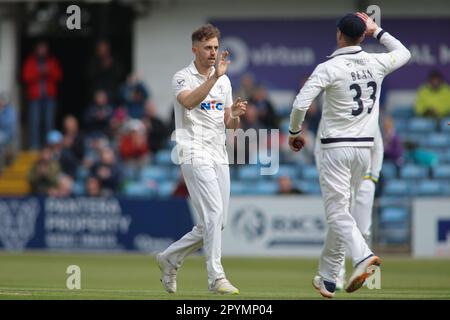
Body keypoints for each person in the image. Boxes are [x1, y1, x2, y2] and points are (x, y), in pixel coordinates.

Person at [288, 13, 410, 298]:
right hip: (364, 150)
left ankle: (363, 256)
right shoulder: (376, 62)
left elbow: (300, 103)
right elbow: (404, 53)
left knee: (337, 213)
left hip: (335, 148)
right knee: (342, 213)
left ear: (339, 34)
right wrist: (377, 30)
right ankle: (330, 278)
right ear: (362, 35)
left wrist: (294, 132)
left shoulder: (329, 67)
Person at [156, 24, 247, 295]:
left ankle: (170, 258)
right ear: (195, 49)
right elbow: (188, 103)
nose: (213, 53)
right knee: (213, 214)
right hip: (192, 151)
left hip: (219, 153)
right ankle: (216, 277)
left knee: (216, 222)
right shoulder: (182, 77)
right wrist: (213, 78)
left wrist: (237, 114)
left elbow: (229, 124)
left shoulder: (225, 81)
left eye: (216, 48)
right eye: (208, 48)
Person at [315, 123, 384, 290]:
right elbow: (319, 149)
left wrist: (373, 177)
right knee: (340, 224)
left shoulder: (367, 117)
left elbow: (378, 147)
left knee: (362, 229)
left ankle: (369, 279)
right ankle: (336, 276)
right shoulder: (330, 116)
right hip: (341, 177)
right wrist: (324, 175)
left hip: (365, 179)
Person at [22, 41, 62, 150]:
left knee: (49, 122)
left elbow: (58, 76)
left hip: (49, 97)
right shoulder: (30, 62)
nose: (42, 51)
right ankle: (35, 146)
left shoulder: (52, 61)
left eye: (44, 49)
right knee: (35, 122)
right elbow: (26, 77)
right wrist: (39, 72)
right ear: (36, 50)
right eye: (40, 49)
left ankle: (48, 147)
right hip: (35, 97)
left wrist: (48, 72)